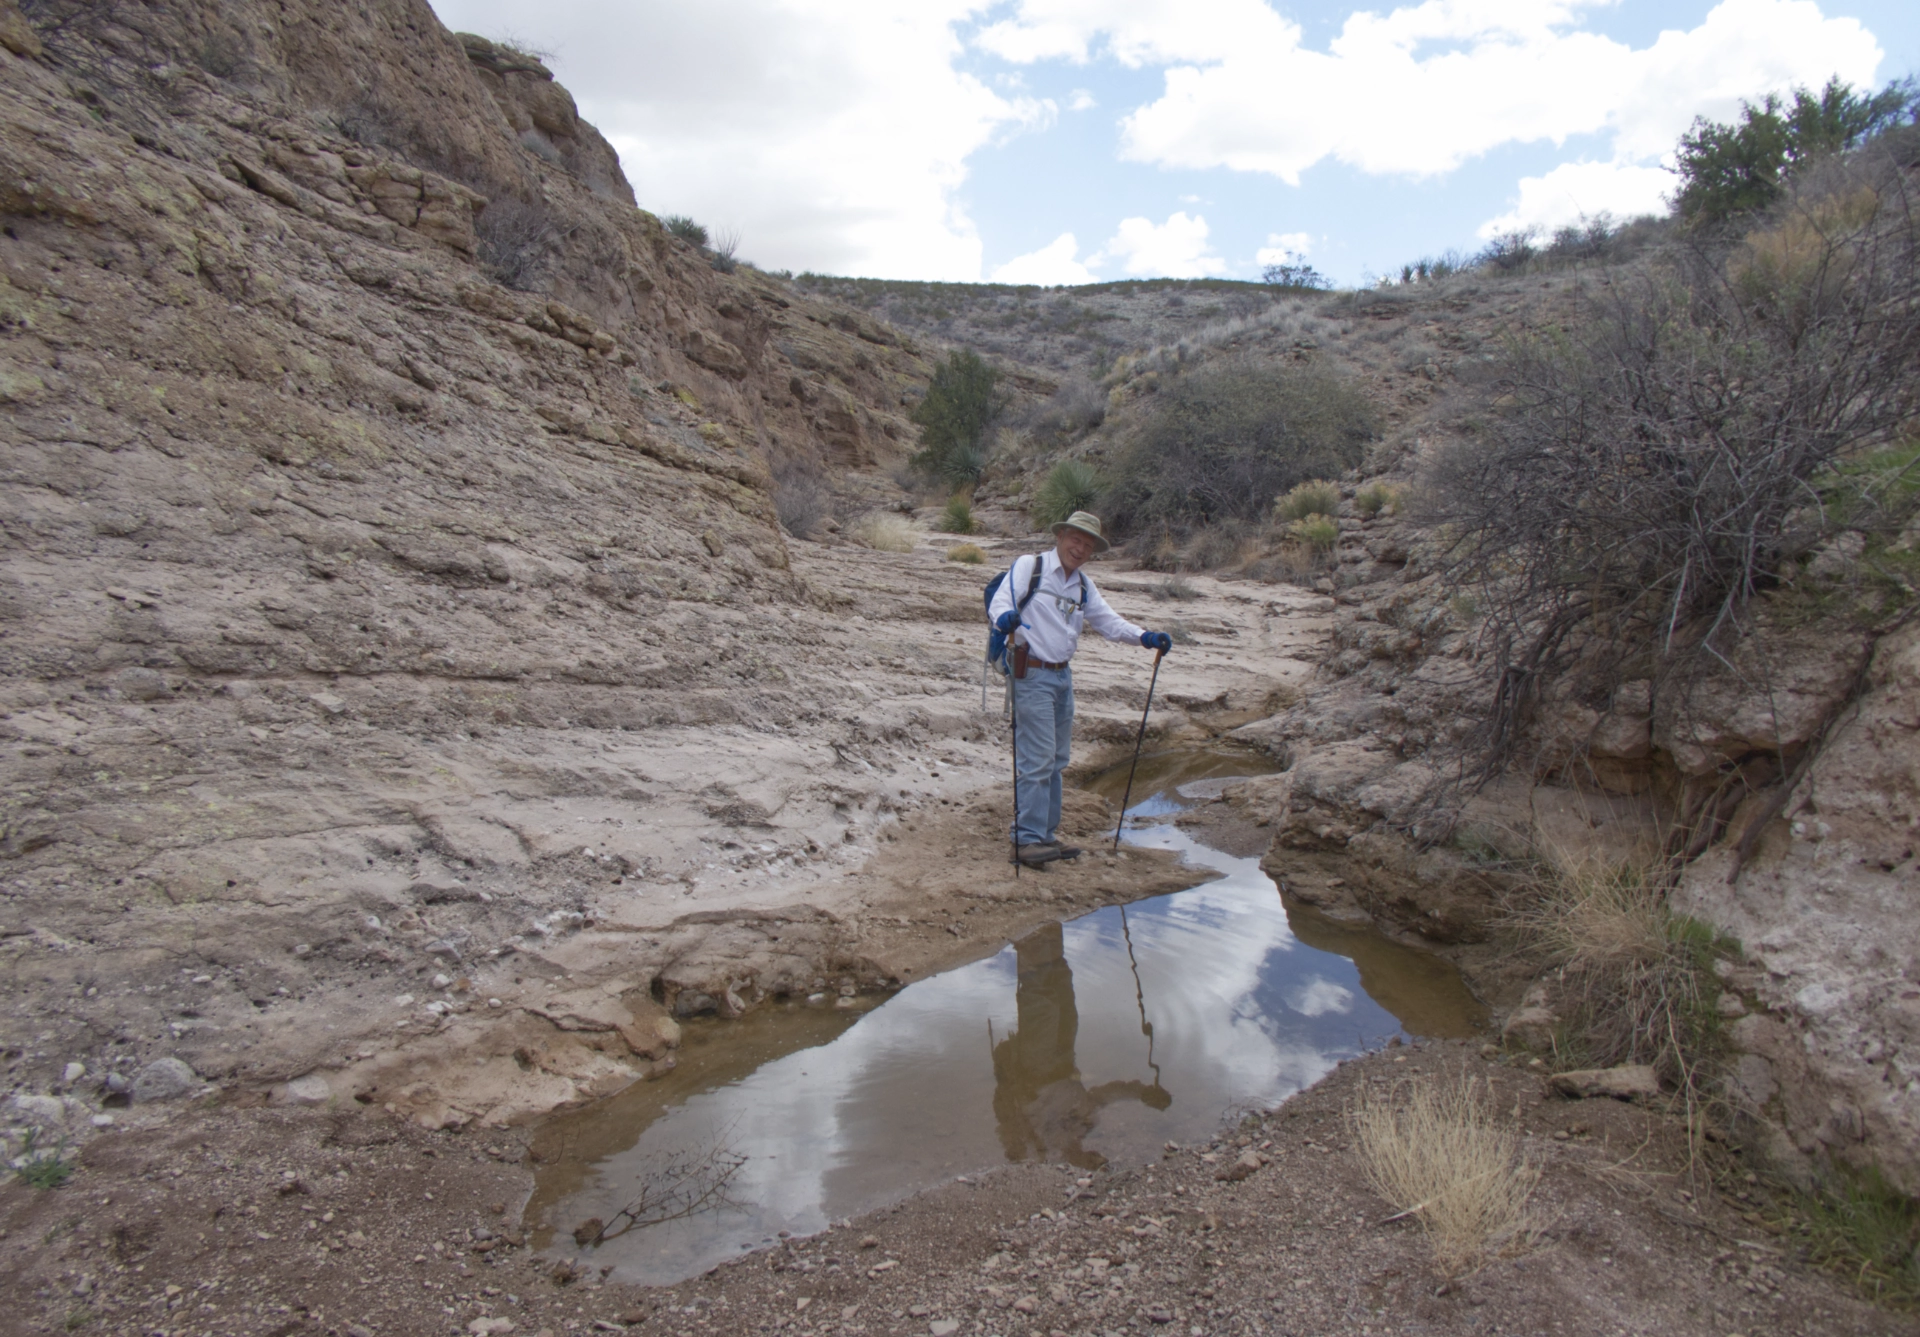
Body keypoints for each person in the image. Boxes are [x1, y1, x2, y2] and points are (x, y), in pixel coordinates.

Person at [989, 511, 1172, 866]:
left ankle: (1045, 836)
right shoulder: (1031, 566)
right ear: (1061, 537)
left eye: (1088, 544)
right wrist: (1003, 620)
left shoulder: (1082, 585)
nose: (1081, 548)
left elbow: (1109, 622)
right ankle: (1025, 840)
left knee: (1056, 761)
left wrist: (1145, 637)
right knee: (1038, 758)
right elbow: (1001, 602)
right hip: (1031, 674)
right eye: (1076, 539)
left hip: (1062, 677)